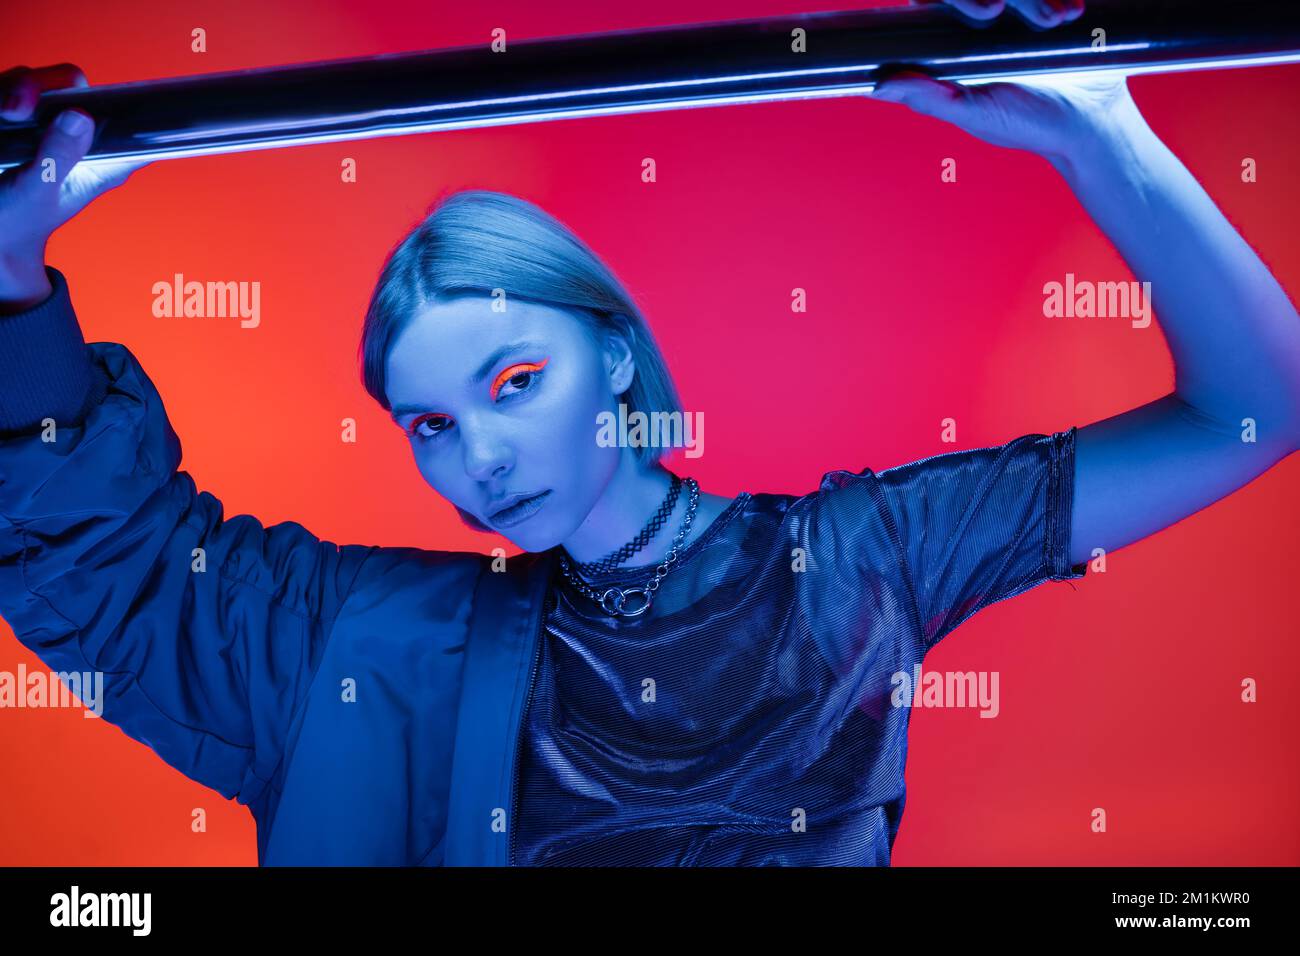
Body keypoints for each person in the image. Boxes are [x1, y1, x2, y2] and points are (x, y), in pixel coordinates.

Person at [1, 0, 1297, 865]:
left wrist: (1103, 134)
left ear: (613, 353)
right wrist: (6, 277)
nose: (481, 459)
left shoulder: (858, 558)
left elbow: (1254, 413)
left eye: (514, 383)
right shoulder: (362, 640)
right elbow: (104, 574)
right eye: (431, 424)